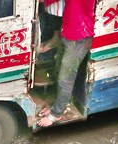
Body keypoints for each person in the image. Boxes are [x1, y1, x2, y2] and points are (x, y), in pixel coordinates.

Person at [37, 0, 95, 128]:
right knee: (59, 71)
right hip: (69, 31)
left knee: (65, 78)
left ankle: (57, 113)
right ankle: (58, 106)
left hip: (79, 37)